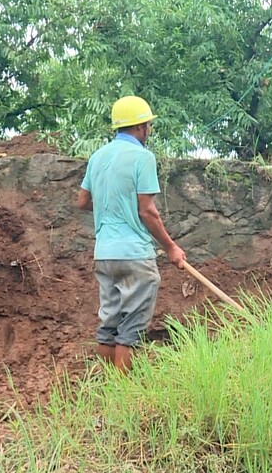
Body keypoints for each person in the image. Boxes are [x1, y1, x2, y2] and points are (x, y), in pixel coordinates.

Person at [75, 95, 187, 372]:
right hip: (135, 256)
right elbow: (147, 211)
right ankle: (123, 395)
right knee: (130, 331)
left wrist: (112, 207)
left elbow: (82, 202)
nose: (148, 130)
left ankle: (107, 388)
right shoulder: (142, 157)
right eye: (148, 125)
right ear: (141, 127)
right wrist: (172, 248)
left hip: (104, 255)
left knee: (109, 326)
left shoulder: (97, 157)